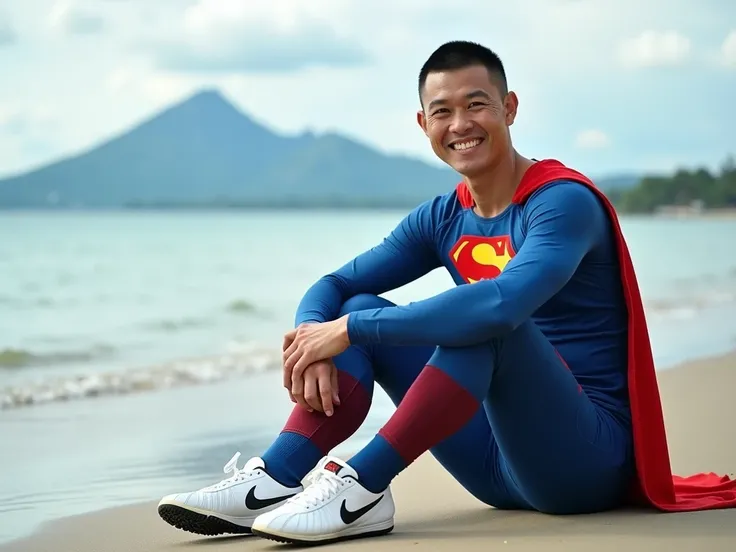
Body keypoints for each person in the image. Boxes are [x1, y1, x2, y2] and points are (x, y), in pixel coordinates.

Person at [157, 40, 736, 546]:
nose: (460, 123)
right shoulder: (441, 218)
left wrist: (349, 330)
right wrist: (315, 337)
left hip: (582, 462)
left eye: (476, 104)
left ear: (509, 108)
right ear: (423, 125)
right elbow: (335, 285)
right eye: (443, 111)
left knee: (480, 321)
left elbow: (504, 304)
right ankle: (275, 478)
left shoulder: (562, 202)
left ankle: (358, 485)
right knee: (356, 308)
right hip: (491, 464)